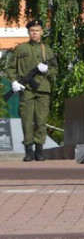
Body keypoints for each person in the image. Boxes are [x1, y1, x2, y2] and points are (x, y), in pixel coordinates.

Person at [5, 19, 57, 161]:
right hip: (26, 89)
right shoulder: (21, 49)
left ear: (41, 32)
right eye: (32, 31)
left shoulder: (47, 50)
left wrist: (47, 70)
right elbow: (10, 67)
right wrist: (14, 81)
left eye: (37, 30)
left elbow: (54, 70)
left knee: (41, 120)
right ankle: (29, 151)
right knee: (27, 121)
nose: (34, 33)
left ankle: (39, 151)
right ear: (29, 32)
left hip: (43, 89)